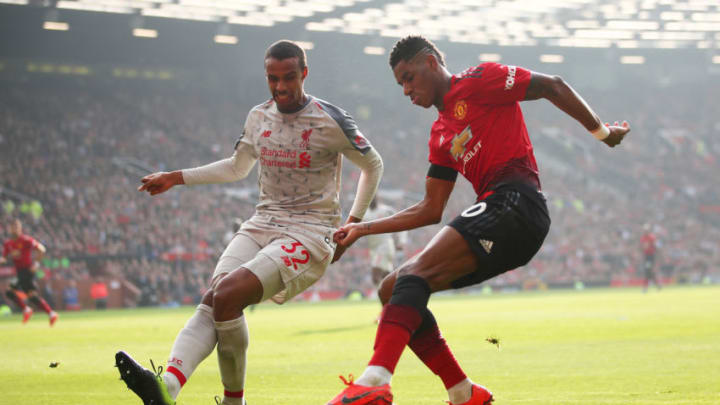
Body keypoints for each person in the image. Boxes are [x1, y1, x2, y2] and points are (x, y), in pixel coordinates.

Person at [327, 35, 630, 405]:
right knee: (393, 288)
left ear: (431, 63)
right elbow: (430, 208)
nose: (406, 89)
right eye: (400, 83)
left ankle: (375, 380)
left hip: (517, 202)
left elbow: (553, 86)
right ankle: (463, 393)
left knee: (411, 277)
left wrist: (602, 132)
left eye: (409, 77)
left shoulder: (479, 79)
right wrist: (362, 228)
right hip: (502, 216)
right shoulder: (440, 135)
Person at [115, 39, 383, 405]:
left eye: (289, 77)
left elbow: (373, 164)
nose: (281, 87)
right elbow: (237, 167)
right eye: (273, 78)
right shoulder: (259, 116)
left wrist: (353, 224)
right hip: (262, 223)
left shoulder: (329, 119)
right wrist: (176, 176)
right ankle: (168, 390)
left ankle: (226, 401)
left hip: (309, 231)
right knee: (214, 300)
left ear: (304, 73)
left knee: (227, 296)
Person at [1, 218, 58, 326]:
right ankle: (51, 313)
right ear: (9, 229)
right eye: (12, 227)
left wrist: (36, 264)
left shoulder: (26, 240)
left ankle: (27, 309)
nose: (14, 229)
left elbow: (41, 249)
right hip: (19, 272)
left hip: (27, 271)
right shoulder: (8, 244)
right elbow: (4, 258)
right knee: (31, 295)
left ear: (20, 228)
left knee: (9, 291)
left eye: (16, 227)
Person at [364, 196, 405, 298]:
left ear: (377, 198)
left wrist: (401, 241)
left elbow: (401, 220)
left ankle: (378, 294)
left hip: (385, 245)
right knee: (386, 275)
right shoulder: (365, 214)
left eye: (373, 197)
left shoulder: (386, 210)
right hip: (373, 248)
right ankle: (397, 292)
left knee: (375, 273)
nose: (371, 200)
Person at [640, 224, 661, 292]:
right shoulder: (643, 238)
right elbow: (642, 248)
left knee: (647, 271)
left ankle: (645, 287)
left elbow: (656, 247)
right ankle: (657, 285)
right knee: (649, 272)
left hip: (650, 256)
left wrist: (656, 255)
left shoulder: (652, 237)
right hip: (646, 256)